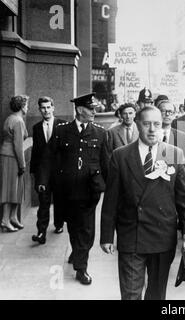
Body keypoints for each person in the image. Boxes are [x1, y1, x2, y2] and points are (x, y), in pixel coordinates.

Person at [100, 106, 185, 300]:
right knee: (131, 294)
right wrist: (107, 236)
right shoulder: (121, 155)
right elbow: (111, 199)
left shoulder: (174, 154)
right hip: (131, 235)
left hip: (162, 236)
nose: (152, 129)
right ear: (137, 125)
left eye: (157, 124)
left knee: (157, 295)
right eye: (146, 124)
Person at [39, 93, 108, 285]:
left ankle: (81, 267)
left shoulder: (100, 133)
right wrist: (43, 180)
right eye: (91, 109)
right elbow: (48, 158)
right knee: (73, 226)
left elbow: (106, 163)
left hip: (89, 191)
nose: (95, 112)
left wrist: (107, 187)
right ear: (79, 110)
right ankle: (77, 251)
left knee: (86, 229)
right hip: (66, 191)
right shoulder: (62, 131)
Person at [31, 97, 66, 244]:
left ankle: (58, 224)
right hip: (43, 173)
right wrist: (34, 173)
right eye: (43, 108)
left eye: (48, 107)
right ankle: (41, 232)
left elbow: (66, 150)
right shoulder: (36, 128)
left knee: (59, 201)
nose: (46, 110)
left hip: (59, 172)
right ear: (39, 110)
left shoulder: (63, 125)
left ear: (53, 108)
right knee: (43, 202)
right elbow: (36, 152)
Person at [0, 95, 29, 232]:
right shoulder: (18, 121)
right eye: (26, 105)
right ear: (22, 107)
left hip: (7, 155)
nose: (27, 107)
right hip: (12, 157)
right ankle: (5, 220)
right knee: (11, 189)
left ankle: (13, 217)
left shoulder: (10, 119)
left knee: (16, 188)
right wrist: (22, 164)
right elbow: (18, 146)